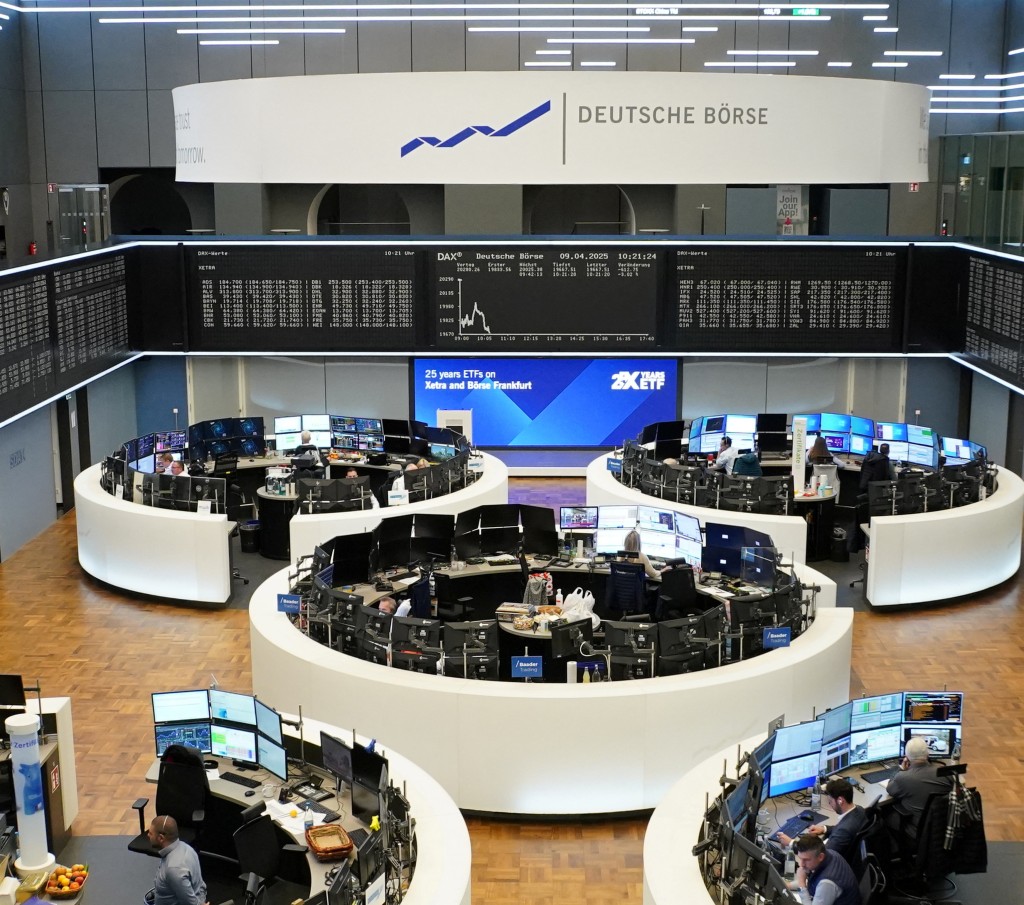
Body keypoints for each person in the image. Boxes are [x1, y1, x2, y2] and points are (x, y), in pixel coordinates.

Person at [778, 778, 866, 877]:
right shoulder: (859, 810)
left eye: (830, 801)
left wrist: (791, 843)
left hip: (832, 872)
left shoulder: (844, 830)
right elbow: (842, 828)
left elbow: (820, 857)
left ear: (840, 800)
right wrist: (824, 829)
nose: (830, 805)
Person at [885, 736, 954, 831]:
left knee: (883, 815)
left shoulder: (903, 777)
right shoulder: (945, 773)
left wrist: (901, 769)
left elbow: (890, 789)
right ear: (928, 754)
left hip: (917, 830)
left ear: (907, 757)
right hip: (943, 829)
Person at [146, 815, 209, 905]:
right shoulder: (186, 848)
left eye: (150, 833)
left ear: (161, 838)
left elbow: (190, 904)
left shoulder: (174, 869)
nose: (148, 835)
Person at [790, 834, 860, 905]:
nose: (801, 864)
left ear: (820, 857)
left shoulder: (827, 883)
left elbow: (822, 884)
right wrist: (789, 885)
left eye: (806, 860)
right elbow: (815, 880)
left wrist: (801, 884)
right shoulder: (831, 853)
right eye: (800, 858)